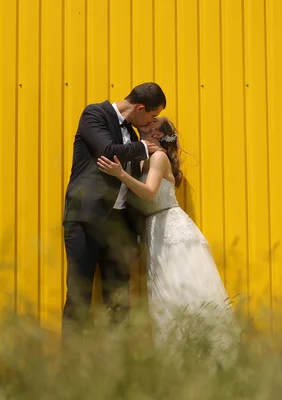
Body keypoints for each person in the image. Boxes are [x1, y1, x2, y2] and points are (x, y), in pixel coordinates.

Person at [97, 116, 239, 368]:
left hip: (172, 231)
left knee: (184, 293)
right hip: (156, 231)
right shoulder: (142, 160)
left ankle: (206, 360)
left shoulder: (159, 158)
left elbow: (150, 192)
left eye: (151, 127)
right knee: (167, 297)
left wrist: (119, 174)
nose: (145, 127)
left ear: (159, 136)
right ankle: (182, 363)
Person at [61, 82, 166, 337]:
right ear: (140, 108)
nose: (150, 124)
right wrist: (144, 148)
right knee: (80, 295)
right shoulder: (95, 114)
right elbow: (108, 151)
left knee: (119, 300)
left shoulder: (131, 132)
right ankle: (70, 369)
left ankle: (116, 367)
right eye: (151, 117)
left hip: (119, 226)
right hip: (85, 220)